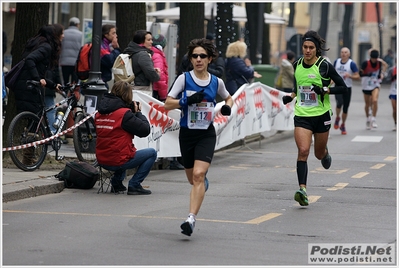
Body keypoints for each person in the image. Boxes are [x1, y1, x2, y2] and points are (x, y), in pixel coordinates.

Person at [164, 38, 234, 236]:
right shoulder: (184, 79)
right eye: (194, 56)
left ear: (209, 59)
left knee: (197, 175)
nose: (198, 59)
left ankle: (190, 219)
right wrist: (185, 100)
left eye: (202, 56)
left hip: (206, 134)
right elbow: (167, 104)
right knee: (192, 179)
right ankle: (202, 184)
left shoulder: (216, 81)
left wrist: (228, 106)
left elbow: (228, 96)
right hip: (187, 134)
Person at [281, 30, 347, 207]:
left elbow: (343, 87)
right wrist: (291, 96)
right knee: (303, 151)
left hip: (321, 115)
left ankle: (324, 152)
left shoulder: (324, 66)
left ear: (317, 49)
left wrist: (326, 90)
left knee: (318, 154)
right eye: (305, 47)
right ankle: (302, 190)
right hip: (302, 115)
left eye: (311, 47)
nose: (308, 50)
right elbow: (298, 87)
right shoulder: (297, 65)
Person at [95, 80, 157, 195]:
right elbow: (145, 130)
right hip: (117, 160)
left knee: (120, 147)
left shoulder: (99, 113)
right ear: (128, 96)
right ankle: (134, 184)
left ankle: (117, 183)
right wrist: (138, 113)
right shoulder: (124, 114)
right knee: (151, 153)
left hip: (102, 159)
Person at [13, 24, 62, 165]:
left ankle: (29, 155)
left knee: (32, 120)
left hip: (24, 85)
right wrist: (37, 78)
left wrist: (53, 85)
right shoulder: (46, 47)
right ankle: (28, 158)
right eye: (60, 34)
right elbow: (31, 61)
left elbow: (38, 71)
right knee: (35, 120)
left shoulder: (35, 44)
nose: (62, 36)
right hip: (31, 86)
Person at [151, 33, 184, 170]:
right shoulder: (158, 55)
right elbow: (161, 78)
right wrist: (166, 97)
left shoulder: (153, 53)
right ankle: (170, 159)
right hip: (159, 96)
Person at [332, 47, 360, 135]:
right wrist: (329, 83)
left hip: (347, 87)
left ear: (349, 54)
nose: (343, 54)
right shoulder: (336, 62)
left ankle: (343, 124)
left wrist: (350, 76)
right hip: (338, 86)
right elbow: (333, 74)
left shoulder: (351, 64)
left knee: (345, 108)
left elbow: (358, 77)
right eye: (342, 52)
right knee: (339, 103)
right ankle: (337, 118)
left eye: (345, 52)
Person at [123, 30, 160, 95]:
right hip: (141, 90)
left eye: (151, 39)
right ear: (141, 42)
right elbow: (152, 75)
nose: (151, 42)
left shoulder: (131, 51)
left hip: (130, 87)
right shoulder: (143, 55)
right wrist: (157, 74)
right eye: (148, 40)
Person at [359, 49, 386, 129]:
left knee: (374, 100)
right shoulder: (365, 63)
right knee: (367, 104)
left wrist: (382, 74)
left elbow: (385, 66)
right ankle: (368, 118)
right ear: (370, 57)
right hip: (366, 85)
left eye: (375, 58)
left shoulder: (379, 63)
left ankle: (373, 119)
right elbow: (360, 73)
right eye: (373, 58)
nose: (374, 60)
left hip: (375, 84)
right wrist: (366, 73)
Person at [44, 23, 64, 135]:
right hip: (47, 83)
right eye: (62, 33)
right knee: (50, 109)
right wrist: (57, 84)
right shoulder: (52, 48)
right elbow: (55, 69)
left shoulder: (46, 46)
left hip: (45, 82)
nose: (64, 36)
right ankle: (52, 134)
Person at [59, 17, 82, 85]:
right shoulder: (81, 34)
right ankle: (73, 94)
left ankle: (65, 93)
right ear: (77, 24)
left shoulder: (64, 33)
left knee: (65, 80)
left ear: (69, 24)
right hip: (76, 62)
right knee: (74, 81)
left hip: (64, 62)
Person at [100, 24, 121, 88]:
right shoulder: (102, 46)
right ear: (106, 34)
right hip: (100, 80)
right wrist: (116, 48)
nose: (116, 36)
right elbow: (111, 61)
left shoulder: (107, 45)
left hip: (103, 80)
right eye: (113, 33)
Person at [389, 62, 396, 130]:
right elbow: (387, 79)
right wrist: (393, 77)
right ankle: (395, 123)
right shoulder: (392, 69)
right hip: (393, 91)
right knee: (395, 109)